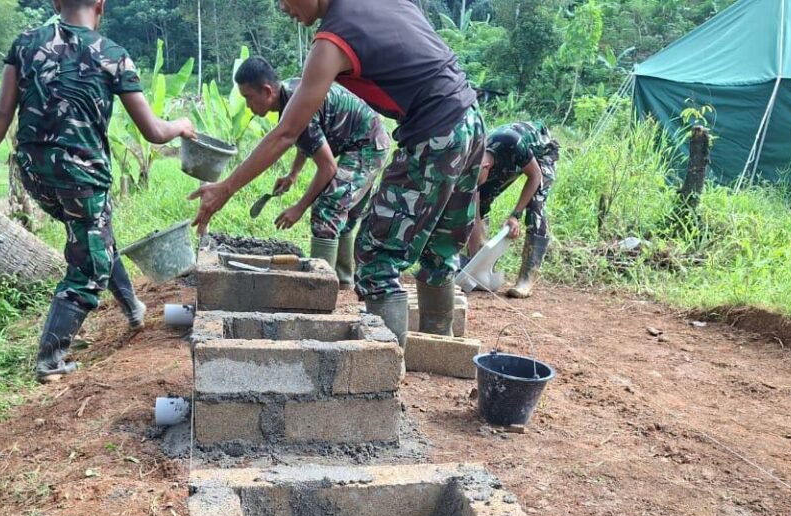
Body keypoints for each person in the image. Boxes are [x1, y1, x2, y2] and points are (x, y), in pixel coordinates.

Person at [190, 0, 484, 347]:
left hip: (434, 133)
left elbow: (287, 133)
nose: (282, 7)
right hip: (471, 121)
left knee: (376, 258)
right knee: (439, 249)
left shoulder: (332, 41)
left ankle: (380, 377)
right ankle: (442, 349)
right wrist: (295, 175)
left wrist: (225, 188)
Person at [0, 0, 195, 382]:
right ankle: (50, 358)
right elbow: (154, 131)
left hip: (36, 173)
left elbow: (1, 112)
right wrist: (181, 125)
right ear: (100, 4)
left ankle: (133, 307)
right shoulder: (113, 55)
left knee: (95, 231)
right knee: (89, 266)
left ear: (55, 3)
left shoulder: (25, 44)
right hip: (81, 174)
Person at [234, 56, 390, 289]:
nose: (248, 106)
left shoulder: (295, 102)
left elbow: (327, 167)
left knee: (327, 211)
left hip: (367, 145)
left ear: (267, 91)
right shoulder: (290, 94)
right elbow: (308, 138)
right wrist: (293, 174)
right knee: (343, 214)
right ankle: (343, 284)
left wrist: (299, 207)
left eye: (249, 98)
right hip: (367, 142)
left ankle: (321, 289)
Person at [471, 121, 559, 298]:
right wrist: (475, 259)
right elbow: (474, 209)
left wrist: (515, 215)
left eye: (475, 180)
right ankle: (483, 270)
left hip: (540, 154)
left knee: (536, 204)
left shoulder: (512, 143)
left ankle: (527, 278)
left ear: (486, 167)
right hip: (506, 159)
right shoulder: (474, 157)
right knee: (479, 201)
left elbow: (535, 176)